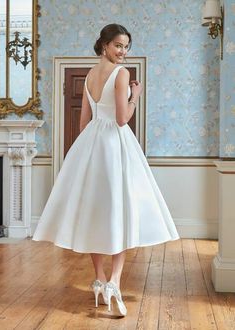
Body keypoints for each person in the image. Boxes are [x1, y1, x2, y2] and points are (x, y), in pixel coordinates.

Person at [32, 23, 180, 317]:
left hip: (91, 144)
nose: (123, 52)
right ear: (104, 45)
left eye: (126, 47)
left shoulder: (88, 75)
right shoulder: (123, 74)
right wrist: (135, 95)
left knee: (94, 212)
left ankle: (99, 279)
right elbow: (123, 119)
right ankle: (113, 282)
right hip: (115, 143)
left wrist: (84, 153)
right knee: (119, 213)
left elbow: (83, 122)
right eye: (118, 46)